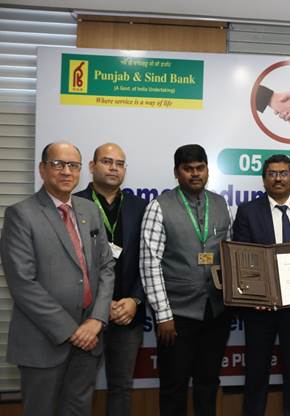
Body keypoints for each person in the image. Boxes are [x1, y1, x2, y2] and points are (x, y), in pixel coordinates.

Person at [0, 142, 115, 416]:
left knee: (78, 410)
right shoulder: (20, 214)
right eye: (58, 164)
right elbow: (23, 283)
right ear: (42, 169)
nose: (66, 171)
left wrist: (96, 320)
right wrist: (73, 331)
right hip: (43, 342)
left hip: (89, 340)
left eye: (73, 165)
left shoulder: (89, 210)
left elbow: (106, 267)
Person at [140, 144, 231, 416]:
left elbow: (230, 255)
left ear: (207, 170)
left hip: (216, 312)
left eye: (200, 168)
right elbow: (150, 263)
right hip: (177, 316)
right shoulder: (159, 207)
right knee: (174, 386)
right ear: (176, 172)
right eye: (188, 169)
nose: (195, 174)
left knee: (208, 383)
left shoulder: (221, 204)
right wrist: (163, 315)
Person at [232, 154, 290, 416]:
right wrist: (255, 297)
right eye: (272, 173)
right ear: (264, 179)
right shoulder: (248, 211)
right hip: (260, 309)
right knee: (256, 371)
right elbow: (242, 257)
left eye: (284, 173)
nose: (278, 178)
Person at [74, 143, 147, 416]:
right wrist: (99, 307)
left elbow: (151, 260)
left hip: (127, 314)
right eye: (107, 161)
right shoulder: (74, 204)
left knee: (122, 388)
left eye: (119, 163)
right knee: (79, 388)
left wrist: (136, 300)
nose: (114, 168)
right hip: (86, 315)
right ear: (92, 167)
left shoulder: (141, 207)